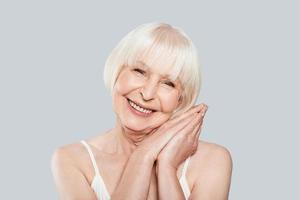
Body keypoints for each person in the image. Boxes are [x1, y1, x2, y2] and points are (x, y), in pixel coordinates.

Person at [51, 22, 232, 200]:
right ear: (117, 71)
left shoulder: (212, 160)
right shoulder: (72, 160)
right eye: (139, 71)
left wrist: (166, 167)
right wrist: (143, 155)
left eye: (168, 83)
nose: (147, 93)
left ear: (180, 100)